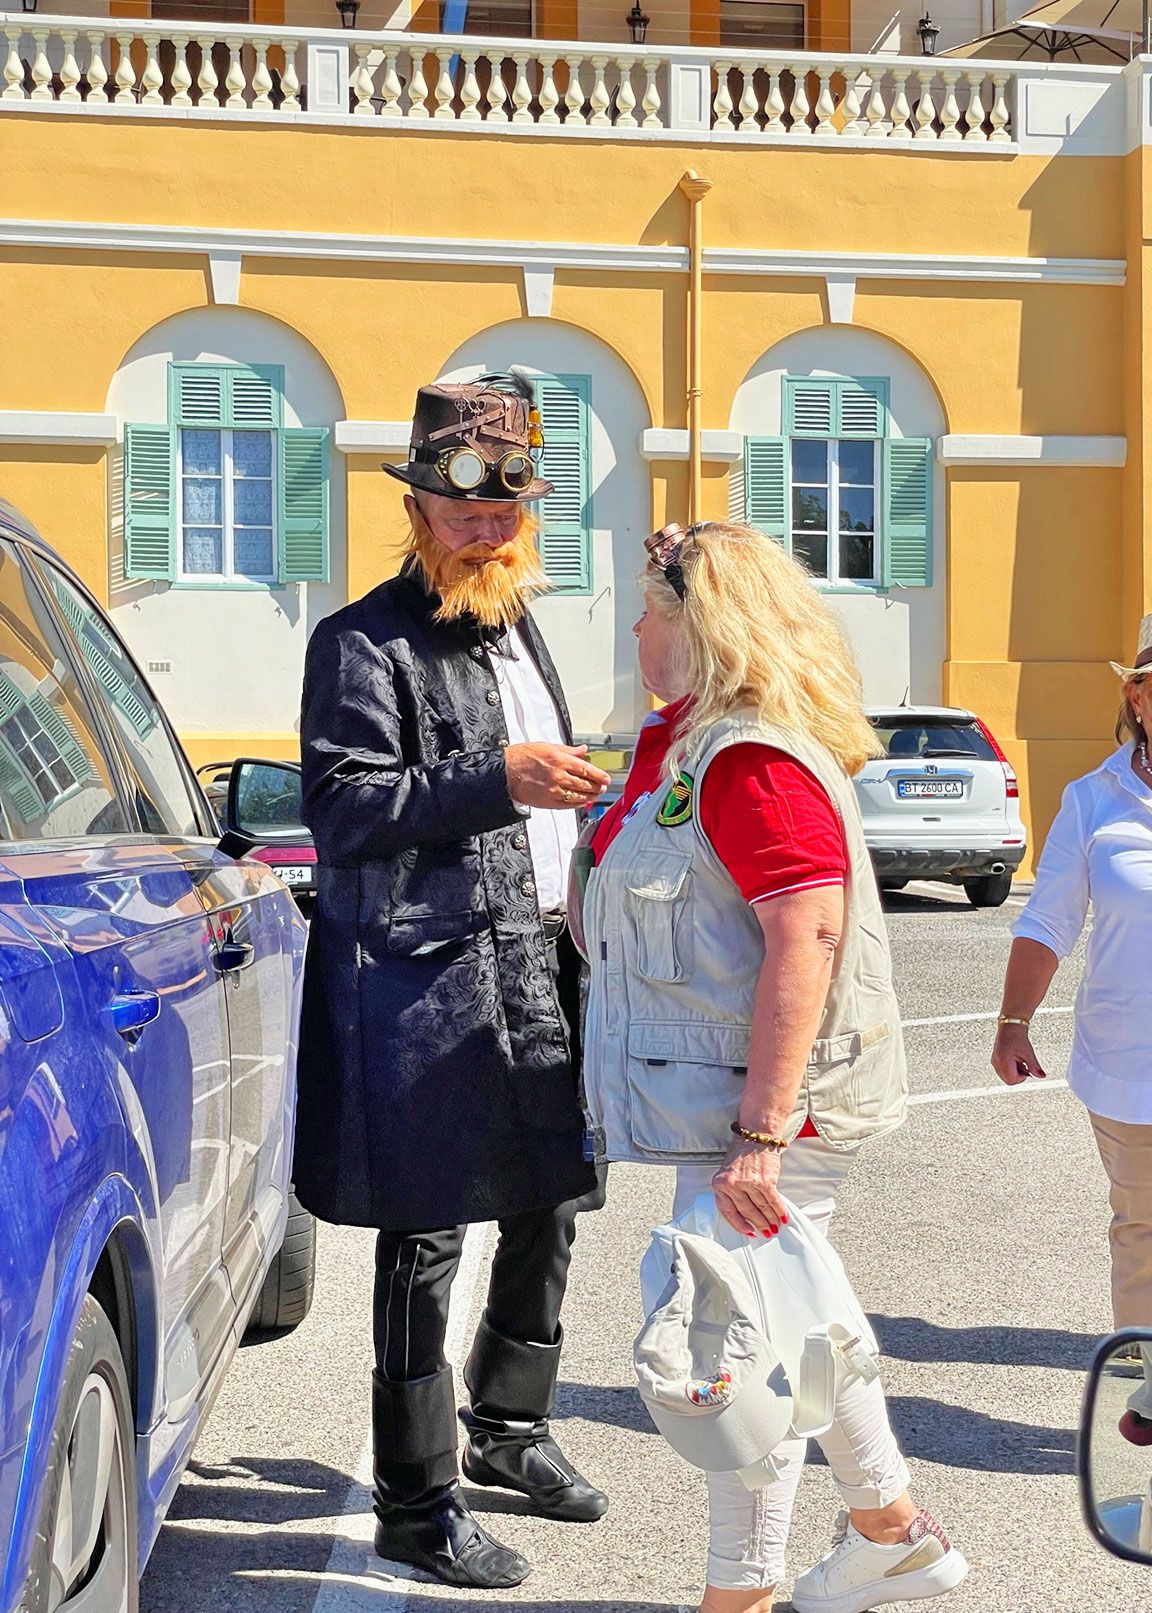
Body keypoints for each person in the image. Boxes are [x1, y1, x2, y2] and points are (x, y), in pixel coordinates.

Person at [578, 521, 968, 1613]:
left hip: (760, 1113)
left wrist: (761, 1131)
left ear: (698, 627)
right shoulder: (697, 748)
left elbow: (808, 935)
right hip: (729, 1105)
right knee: (790, 1325)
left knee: (738, 1352)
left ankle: (750, 1590)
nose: (634, 634)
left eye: (648, 613)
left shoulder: (751, 760)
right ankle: (888, 1530)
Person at [296, 373, 611, 1589]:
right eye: (465, 509)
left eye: (505, 510)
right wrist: (499, 778)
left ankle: (510, 1425)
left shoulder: (518, 625)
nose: (487, 529)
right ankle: (414, 1500)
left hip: (542, 954)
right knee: (425, 1232)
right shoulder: (360, 639)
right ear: (418, 508)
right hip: (425, 980)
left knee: (553, 1196)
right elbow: (342, 809)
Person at [994, 609, 1152, 1446]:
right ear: (1137, 697)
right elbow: (1048, 919)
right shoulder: (1092, 800)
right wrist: (1014, 1020)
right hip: (1136, 1068)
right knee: (1150, 1240)